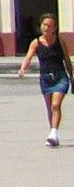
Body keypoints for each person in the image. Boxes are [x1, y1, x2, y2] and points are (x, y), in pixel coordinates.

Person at [18, 13, 70, 146]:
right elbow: (28, 57)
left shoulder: (60, 40)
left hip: (60, 77)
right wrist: (23, 68)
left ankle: (53, 133)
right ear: (40, 26)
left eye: (50, 25)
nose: (46, 28)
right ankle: (53, 134)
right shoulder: (36, 43)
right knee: (49, 108)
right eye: (44, 25)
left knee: (55, 105)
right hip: (45, 79)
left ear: (55, 28)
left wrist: (72, 75)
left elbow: (67, 59)